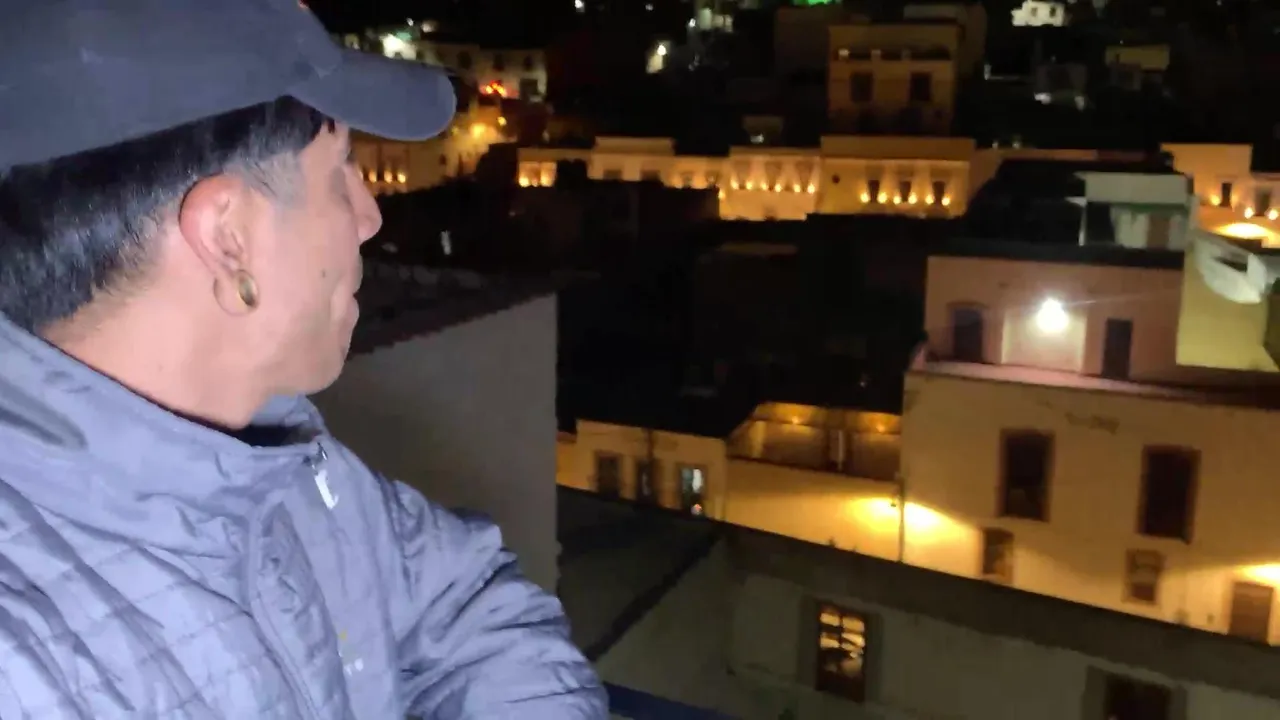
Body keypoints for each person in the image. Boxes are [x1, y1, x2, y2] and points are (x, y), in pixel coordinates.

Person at [0, 0, 608, 717]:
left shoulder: (272, 462)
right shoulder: (27, 668)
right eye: (340, 169)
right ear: (228, 239)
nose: (369, 216)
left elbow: (468, 610)